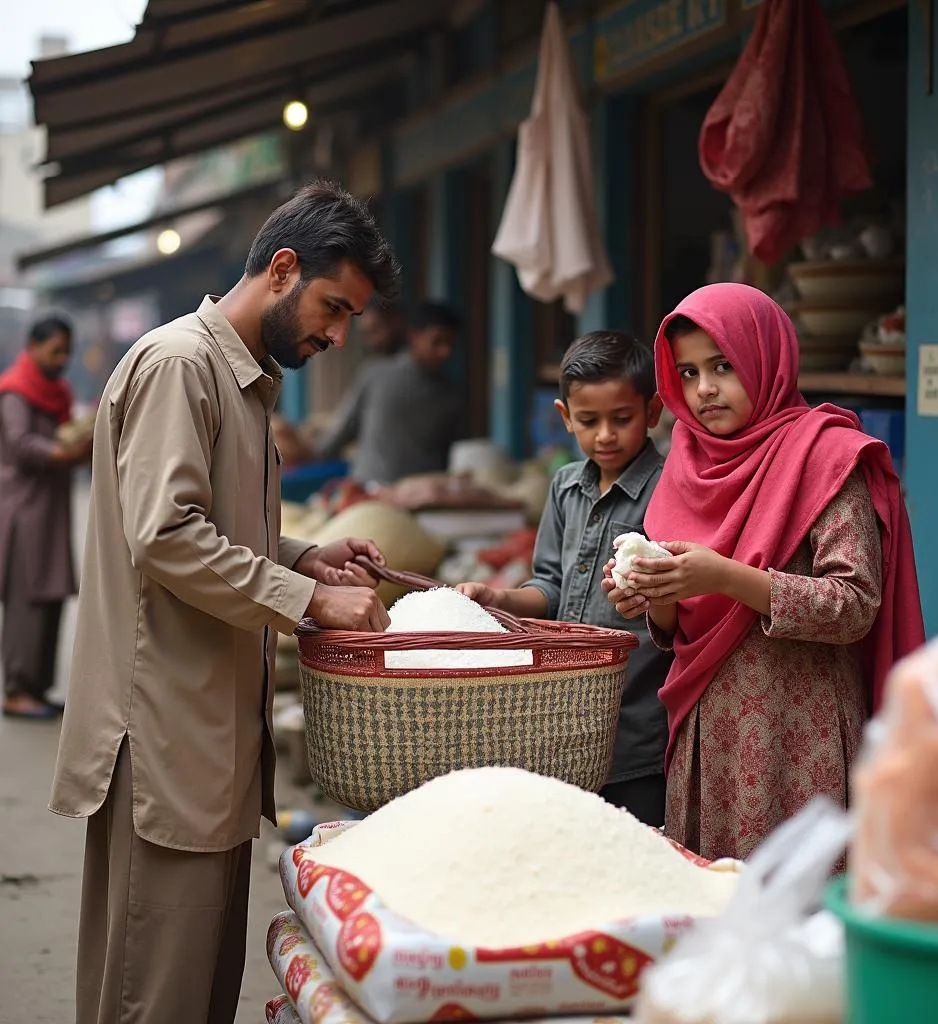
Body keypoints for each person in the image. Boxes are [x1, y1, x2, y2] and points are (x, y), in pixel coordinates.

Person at [49, 181, 400, 1024]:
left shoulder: (241, 378)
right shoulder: (182, 365)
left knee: (196, 991)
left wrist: (307, 553)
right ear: (282, 268)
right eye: (332, 306)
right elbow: (166, 537)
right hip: (163, 738)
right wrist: (309, 598)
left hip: (205, 742)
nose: (337, 334)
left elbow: (217, 529)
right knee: (154, 997)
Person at [604, 283, 924, 860]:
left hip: (799, 740)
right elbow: (684, 623)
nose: (705, 389)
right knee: (715, 909)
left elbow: (853, 604)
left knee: (797, 921)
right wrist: (657, 591)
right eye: (689, 372)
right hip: (708, 736)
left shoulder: (827, 455)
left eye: (724, 365)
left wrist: (724, 576)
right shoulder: (688, 459)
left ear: (766, 357)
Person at [458, 332, 673, 825]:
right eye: (588, 421)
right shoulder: (564, 486)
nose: (605, 436)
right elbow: (550, 587)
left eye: (622, 419)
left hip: (638, 725)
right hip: (563, 723)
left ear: (653, 411)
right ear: (564, 417)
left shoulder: (667, 488)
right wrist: (497, 597)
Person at [0, 315, 91, 720]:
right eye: (55, 350)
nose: (62, 359)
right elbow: (21, 445)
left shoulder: (57, 392)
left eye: (66, 350)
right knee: (28, 603)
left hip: (50, 509)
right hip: (25, 511)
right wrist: (64, 453)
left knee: (51, 598)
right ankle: (18, 690)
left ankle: (37, 687)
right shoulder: (15, 392)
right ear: (33, 346)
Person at [314, 299, 462, 484]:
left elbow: (455, 454)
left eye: (450, 344)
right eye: (437, 342)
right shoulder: (375, 376)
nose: (444, 351)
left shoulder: (450, 393)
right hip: (368, 493)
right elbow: (340, 435)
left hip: (425, 497)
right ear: (415, 337)